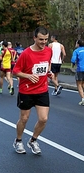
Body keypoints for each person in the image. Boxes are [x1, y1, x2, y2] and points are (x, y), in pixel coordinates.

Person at [12, 26, 53, 155]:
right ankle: (18, 141)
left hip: (42, 89)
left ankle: (33, 140)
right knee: (24, 118)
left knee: (43, 119)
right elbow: (15, 71)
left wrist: (48, 73)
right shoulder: (26, 53)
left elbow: (47, 64)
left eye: (46, 39)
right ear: (34, 38)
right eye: (41, 39)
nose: (43, 42)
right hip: (27, 90)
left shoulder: (48, 51)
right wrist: (28, 76)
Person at [71, 39, 84, 105]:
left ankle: (83, 99)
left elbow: (73, 60)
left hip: (80, 69)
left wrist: (73, 65)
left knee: (79, 84)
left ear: (78, 44)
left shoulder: (76, 51)